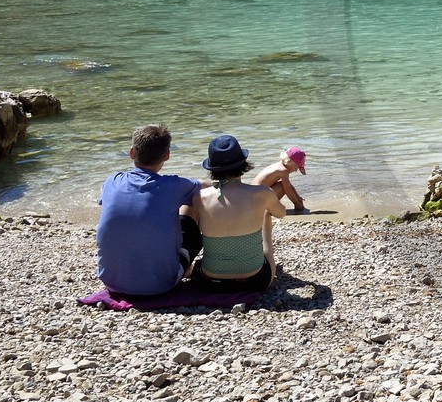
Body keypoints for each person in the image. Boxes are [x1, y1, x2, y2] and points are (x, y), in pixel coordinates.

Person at [95, 124, 203, 296]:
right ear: (166, 155)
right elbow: (207, 189)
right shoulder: (173, 185)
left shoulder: (112, 181)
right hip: (161, 285)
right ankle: (190, 267)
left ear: (132, 153)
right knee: (193, 204)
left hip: (111, 281)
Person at [191, 135, 286, 291]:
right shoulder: (262, 193)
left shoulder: (199, 197)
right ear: (243, 163)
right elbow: (281, 213)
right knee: (266, 215)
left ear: (212, 168)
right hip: (255, 281)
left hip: (210, 282)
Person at [253, 146, 309, 214]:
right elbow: (287, 190)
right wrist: (298, 204)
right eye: (296, 167)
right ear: (289, 162)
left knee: (284, 184)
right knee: (283, 186)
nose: (296, 170)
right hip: (257, 201)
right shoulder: (283, 171)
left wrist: (298, 197)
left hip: (254, 197)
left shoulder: (279, 166)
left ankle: (268, 208)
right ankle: (268, 210)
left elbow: (289, 186)